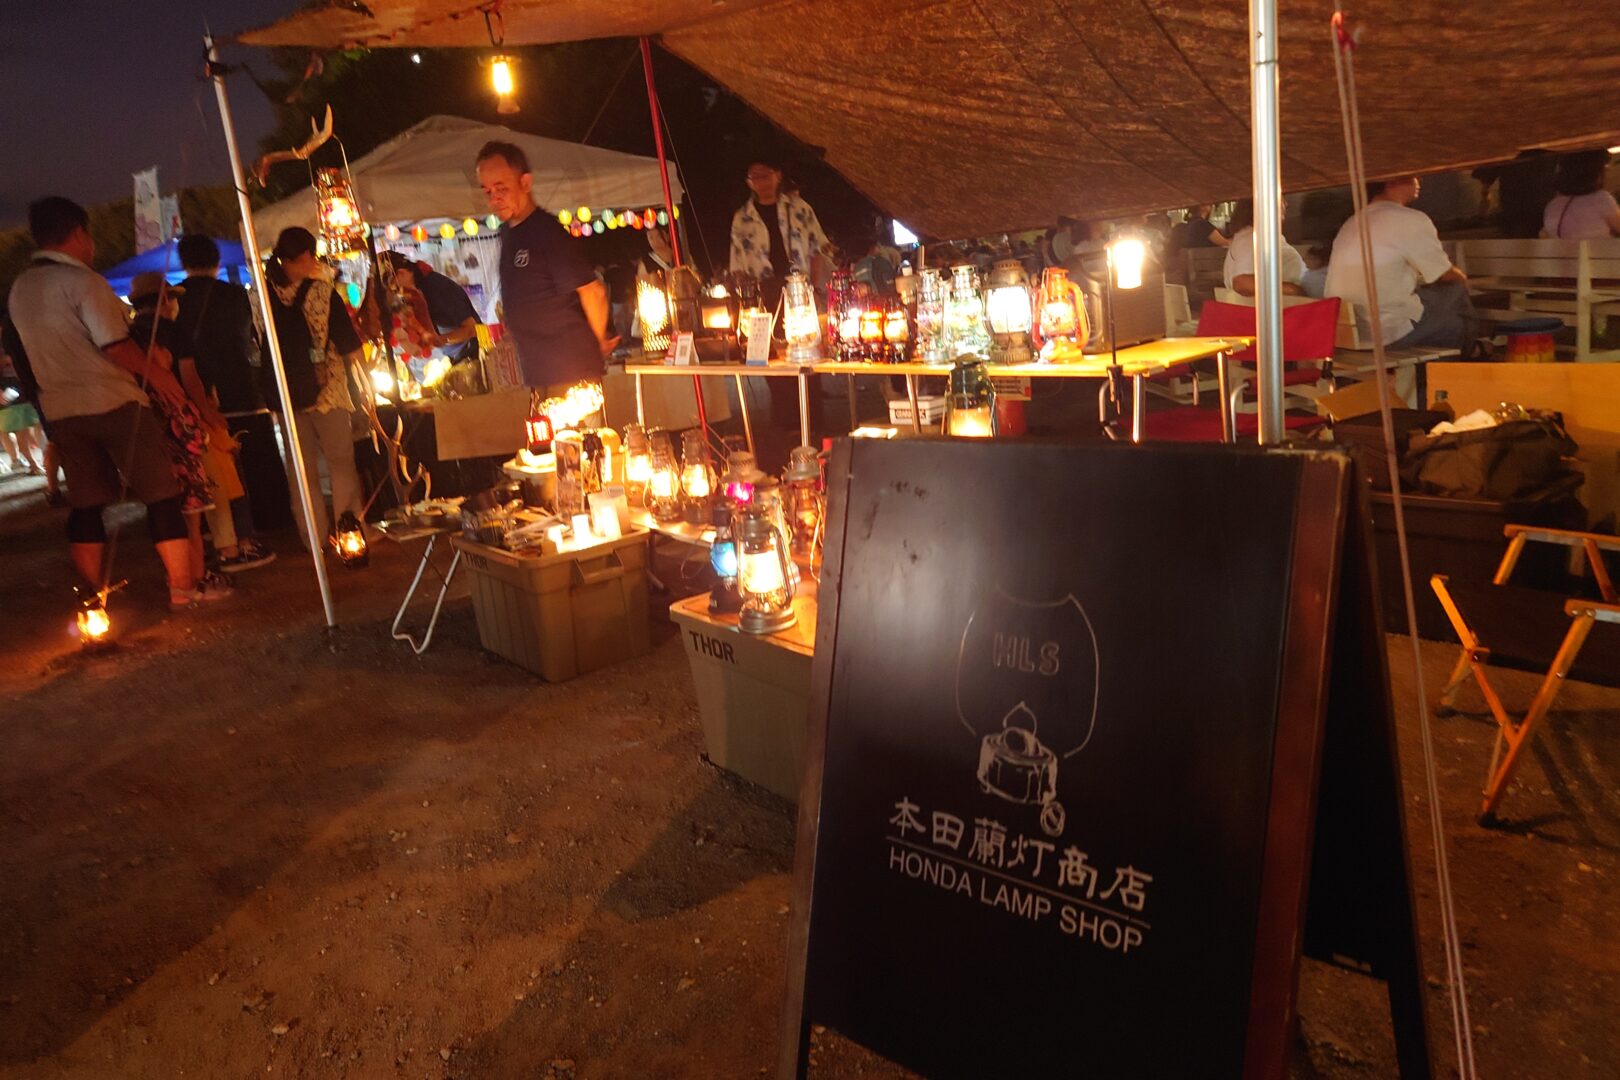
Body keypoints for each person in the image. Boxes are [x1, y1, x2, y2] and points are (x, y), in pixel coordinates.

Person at [7, 197, 199, 608]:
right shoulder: (84, 283)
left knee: (86, 503)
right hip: (114, 401)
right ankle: (182, 588)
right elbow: (115, 345)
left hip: (61, 410)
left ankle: (91, 595)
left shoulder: (20, 289)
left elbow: (20, 355)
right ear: (79, 233)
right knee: (160, 493)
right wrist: (161, 378)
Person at [171, 235, 277, 572]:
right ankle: (255, 530)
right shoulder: (234, 295)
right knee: (247, 465)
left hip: (195, 396)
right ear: (217, 261)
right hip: (241, 390)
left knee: (212, 472)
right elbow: (251, 339)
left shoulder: (175, 300)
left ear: (183, 263)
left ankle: (220, 536)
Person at [475, 140, 615, 393]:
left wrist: (597, 343)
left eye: (501, 188)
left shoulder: (547, 232)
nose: (494, 199)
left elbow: (594, 291)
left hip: (573, 373)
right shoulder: (507, 233)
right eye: (487, 192)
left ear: (525, 183)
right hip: (539, 373)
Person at [127, 273, 233, 602]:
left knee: (163, 506)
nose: (175, 305)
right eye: (172, 298)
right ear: (163, 300)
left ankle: (177, 576)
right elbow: (191, 379)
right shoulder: (174, 332)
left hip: (145, 427)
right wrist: (208, 414)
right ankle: (195, 579)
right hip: (180, 426)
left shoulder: (127, 337)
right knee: (192, 510)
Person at [266, 227, 367, 549]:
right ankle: (349, 534)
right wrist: (365, 381)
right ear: (306, 256)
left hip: (286, 396)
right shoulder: (323, 292)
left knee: (302, 472)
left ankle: (314, 539)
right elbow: (349, 345)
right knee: (341, 464)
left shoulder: (262, 296)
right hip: (328, 391)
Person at [1325, 176, 1477, 350]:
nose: (1419, 182)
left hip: (1349, 333)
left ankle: (1471, 348)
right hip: (1388, 331)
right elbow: (1445, 274)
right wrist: (1463, 279)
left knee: (1452, 325)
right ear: (1391, 182)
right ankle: (1473, 347)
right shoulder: (1410, 219)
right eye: (1413, 178)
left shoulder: (1352, 221)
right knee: (1457, 289)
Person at [728, 159, 832, 308]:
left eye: (765, 175)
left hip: (799, 290)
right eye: (755, 177)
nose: (761, 181)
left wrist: (813, 289)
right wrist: (747, 298)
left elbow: (816, 252)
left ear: (778, 175)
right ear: (749, 183)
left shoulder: (800, 208)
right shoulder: (742, 218)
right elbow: (737, 266)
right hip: (762, 294)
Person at [382, 252, 482, 361]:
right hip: (457, 356)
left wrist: (441, 340)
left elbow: (472, 329)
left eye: (396, 288)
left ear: (401, 273)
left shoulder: (436, 287)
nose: (398, 294)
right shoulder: (417, 294)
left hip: (474, 353)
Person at [1222, 199, 1306, 297]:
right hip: (1286, 303)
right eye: (1281, 198)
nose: (1286, 204)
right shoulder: (1251, 238)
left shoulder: (1258, 236)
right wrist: (1293, 290)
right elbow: (1242, 283)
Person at [1541, 149, 1620, 240]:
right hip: (1595, 249)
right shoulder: (1600, 199)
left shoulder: (1552, 205)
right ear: (1594, 173)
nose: (1608, 170)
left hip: (1564, 249)